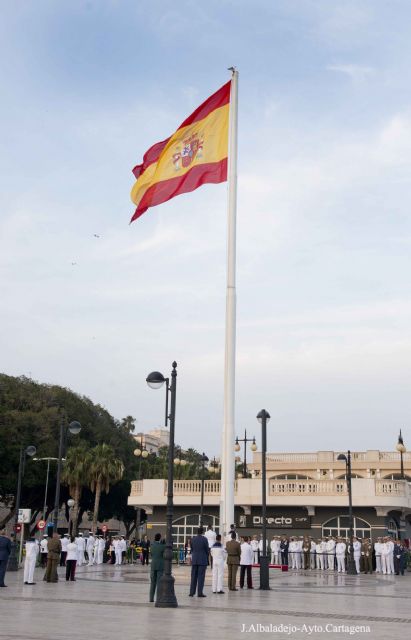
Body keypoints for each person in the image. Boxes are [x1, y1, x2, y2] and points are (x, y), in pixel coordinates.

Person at [189, 527, 209, 597]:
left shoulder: (193, 539)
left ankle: (192, 592)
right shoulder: (204, 539)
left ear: (197, 532)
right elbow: (207, 550)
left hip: (195, 559)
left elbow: (192, 549)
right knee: (201, 577)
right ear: (202, 532)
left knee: (193, 576)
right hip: (202, 560)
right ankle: (200, 592)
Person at [149, 533, 166, 602]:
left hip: (153, 565)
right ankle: (158, 598)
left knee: (152, 583)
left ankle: (151, 598)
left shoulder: (152, 545)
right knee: (159, 583)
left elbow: (151, 554)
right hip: (160, 566)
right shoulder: (162, 546)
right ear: (160, 538)